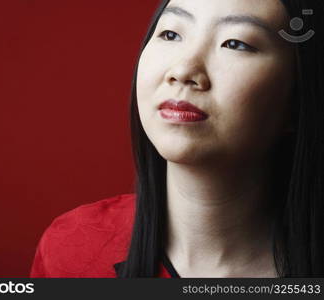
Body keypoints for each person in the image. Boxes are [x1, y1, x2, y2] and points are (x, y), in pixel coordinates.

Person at [30, 0, 324, 278]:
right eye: (170, 34)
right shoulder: (72, 249)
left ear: (299, 99)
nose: (183, 71)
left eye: (235, 43)